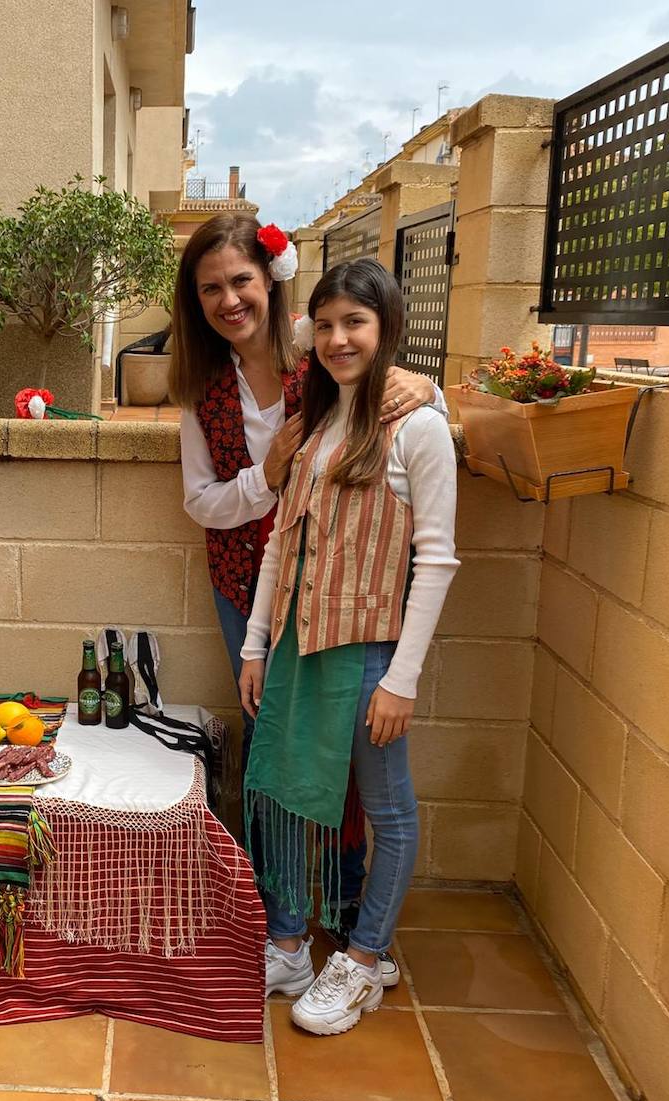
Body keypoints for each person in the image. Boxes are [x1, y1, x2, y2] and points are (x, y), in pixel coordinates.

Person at [168, 212, 441, 935]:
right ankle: (277, 905)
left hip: (343, 583)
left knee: (345, 747)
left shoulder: (315, 349)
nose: (229, 301)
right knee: (273, 740)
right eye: (210, 289)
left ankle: (348, 896)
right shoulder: (201, 389)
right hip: (247, 588)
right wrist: (268, 476)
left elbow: (391, 392)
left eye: (241, 281)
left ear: (271, 281)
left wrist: (430, 391)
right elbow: (202, 500)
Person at [238, 257, 459, 1036]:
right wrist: (254, 645)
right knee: (288, 798)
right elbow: (277, 547)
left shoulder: (419, 428)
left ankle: (363, 960)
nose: (335, 339)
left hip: (368, 653)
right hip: (299, 646)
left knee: (386, 807)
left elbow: (436, 559)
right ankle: (291, 944)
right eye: (325, 323)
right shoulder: (317, 424)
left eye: (355, 324)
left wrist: (402, 680)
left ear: (387, 328)